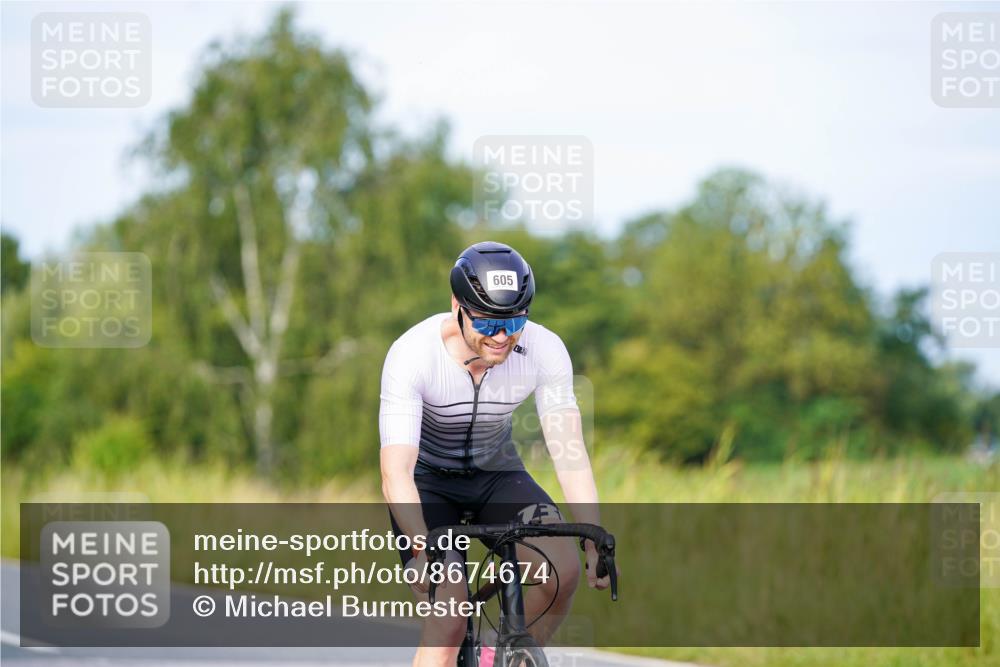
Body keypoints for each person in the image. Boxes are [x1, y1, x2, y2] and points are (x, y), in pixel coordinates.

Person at [380, 241, 610, 667]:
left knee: (562, 571)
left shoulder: (545, 349)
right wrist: (418, 550)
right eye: (487, 323)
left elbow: (569, 450)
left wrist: (592, 535)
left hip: (496, 474)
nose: (502, 337)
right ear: (457, 306)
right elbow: (396, 472)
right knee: (448, 620)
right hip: (428, 482)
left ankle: (500, 657)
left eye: (515, 320)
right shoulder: (412, 355)